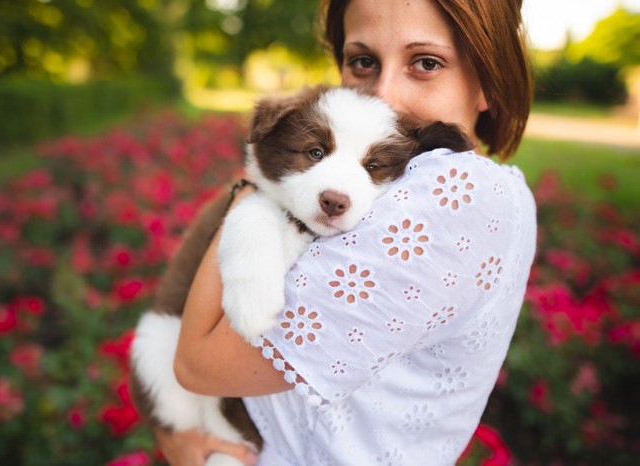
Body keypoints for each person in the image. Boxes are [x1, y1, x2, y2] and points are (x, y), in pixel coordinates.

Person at [157, 0, 536, 464]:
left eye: (426, 63)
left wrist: (248, 197)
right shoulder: (459, 187)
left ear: (489, 81)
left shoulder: (450, 192)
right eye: (363, 61)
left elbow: (197, 364)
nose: (383, 96)